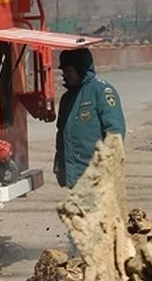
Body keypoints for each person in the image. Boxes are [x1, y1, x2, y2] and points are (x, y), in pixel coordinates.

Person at [54, 47, 126, 189]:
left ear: (80, 69)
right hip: (75, 174)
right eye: (64, 72)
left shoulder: (101, 91)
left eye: (69, 71)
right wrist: (60, 167)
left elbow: (115, 131)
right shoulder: (67, 99)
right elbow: (62, 135)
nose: (65, 75)